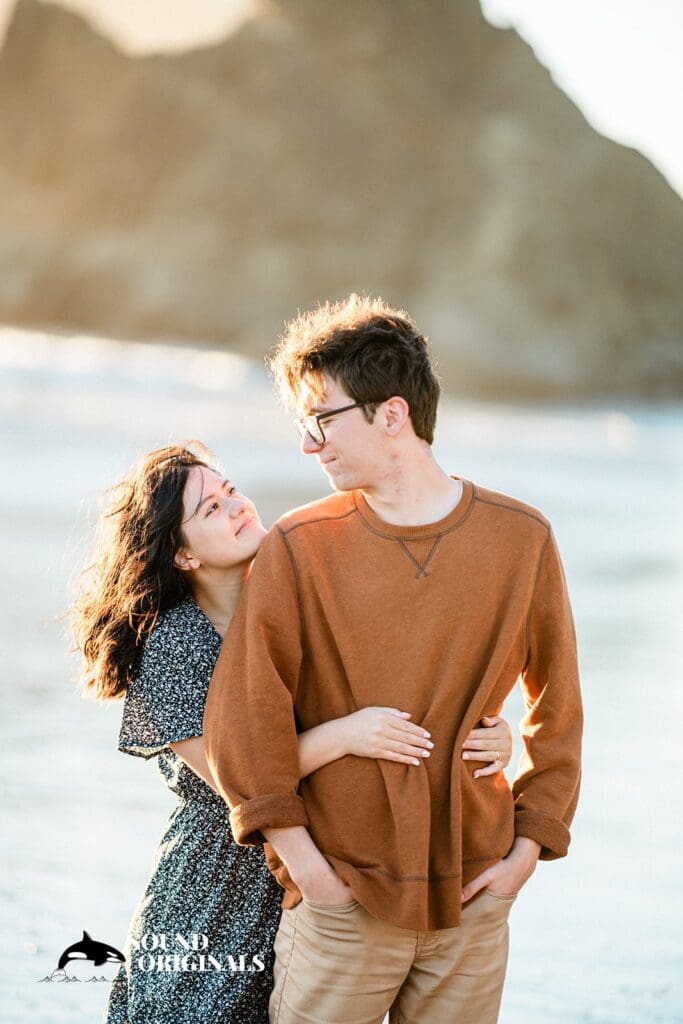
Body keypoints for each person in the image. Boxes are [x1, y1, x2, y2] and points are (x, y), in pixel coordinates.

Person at [203, 294, 584, 1024]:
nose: (309, 444)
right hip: (342, 902)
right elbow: (243, 723)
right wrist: (311, 874)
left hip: (474, 901)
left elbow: (557, 708)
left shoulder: (522, 539)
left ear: (391, 414)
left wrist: (527, 852)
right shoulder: (297, 547)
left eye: (322, 419)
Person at [71, 442, 514, 1024]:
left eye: (230, 490)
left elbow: (399, 694)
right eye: (210, 509)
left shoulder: (296, 609)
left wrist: (493, 733)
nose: (237, 506)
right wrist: (347, 736)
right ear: (182, 555)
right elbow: (234, 774)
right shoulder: (176, 644)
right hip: (217, 888)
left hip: (313, 873)